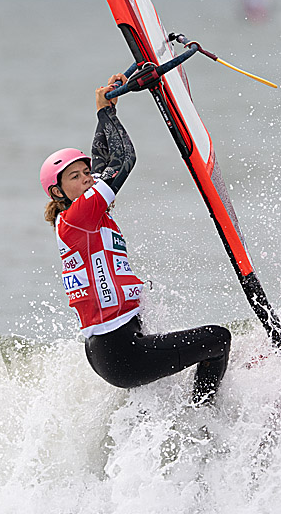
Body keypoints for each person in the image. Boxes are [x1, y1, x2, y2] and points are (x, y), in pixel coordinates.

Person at [41, 73, 231, 406]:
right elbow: (123, 161)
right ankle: (205, 416)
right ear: (58, 191)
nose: (87, 178)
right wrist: (106, 115)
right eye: (76, 176)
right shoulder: (78, 217)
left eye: (86, 173)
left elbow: (104, 162)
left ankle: (172, 423)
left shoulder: (84, 214)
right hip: (121, 352)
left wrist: (108, 108)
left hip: (115, 346)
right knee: (218, 339)